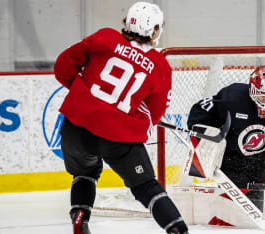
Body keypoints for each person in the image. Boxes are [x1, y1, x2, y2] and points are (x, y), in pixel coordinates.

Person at [54, 2, 188, 234]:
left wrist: (82, 95)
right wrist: (131, 120)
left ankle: (81, 218)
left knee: (85, 172)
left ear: (128, 22)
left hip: (76, 127)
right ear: (155, 30)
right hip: (117, 136)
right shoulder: (159, 66)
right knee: (146, 186)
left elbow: (63, 67)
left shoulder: (105, 38)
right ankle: (178, 230)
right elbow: (154, 113)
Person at [187, 65, 265, 188]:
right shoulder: (232, 97)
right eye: (260, 93)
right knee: (210, 140)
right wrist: (203, 131)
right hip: (232, 159)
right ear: (251, 87)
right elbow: (201, 110)